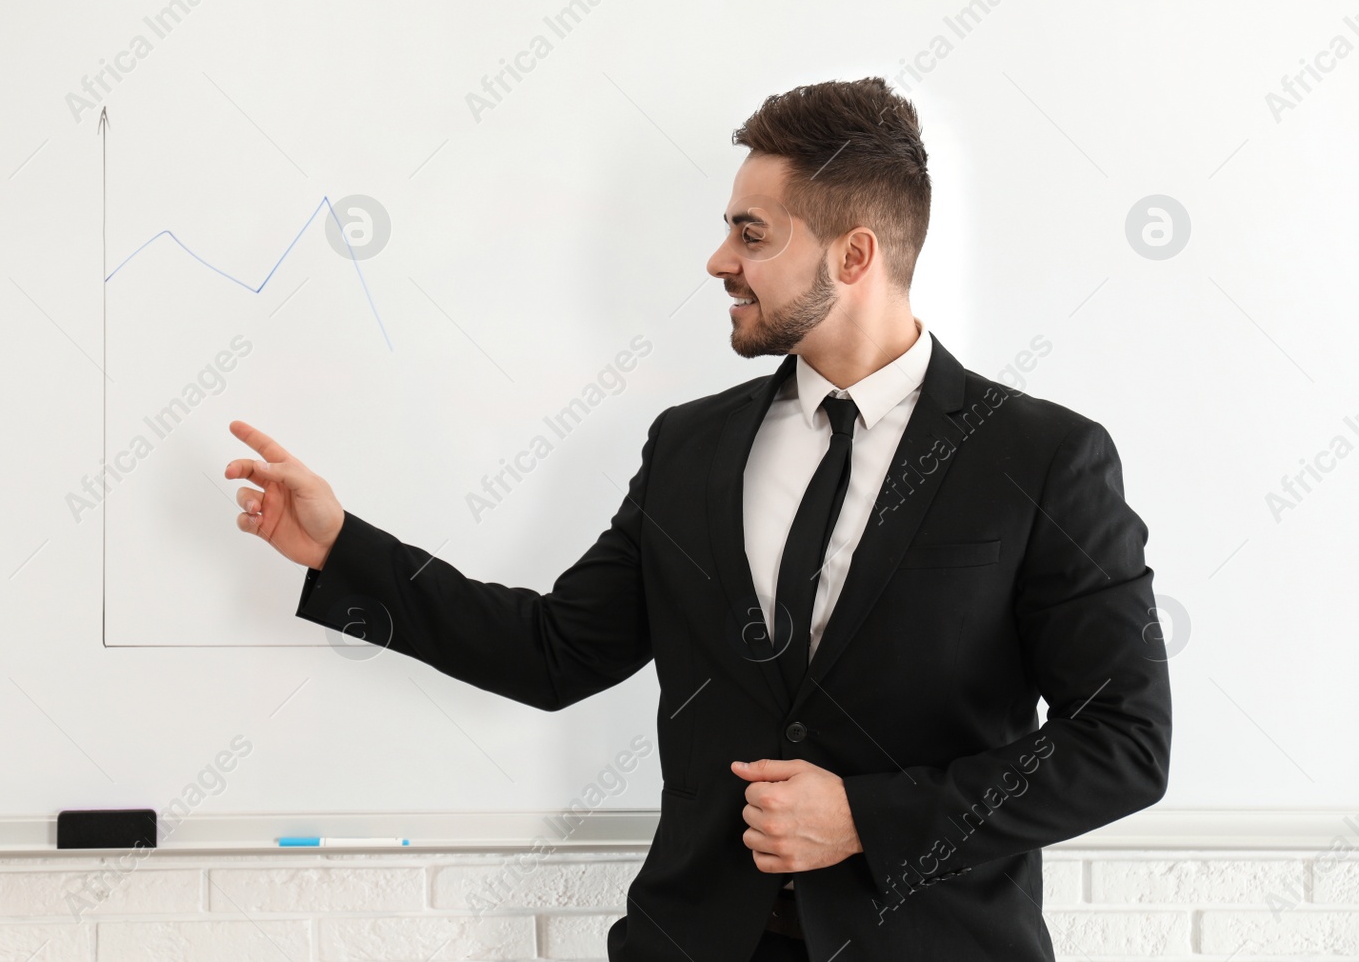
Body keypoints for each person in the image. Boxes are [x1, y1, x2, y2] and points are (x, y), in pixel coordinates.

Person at [224, 77, 1171, 962]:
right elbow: (556, 651)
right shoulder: (692, 446)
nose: (720, 260)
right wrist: (342, 545)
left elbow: (1123, 741)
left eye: (752, 235)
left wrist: (869, 816)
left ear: (854, 255)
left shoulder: (1041, 457)